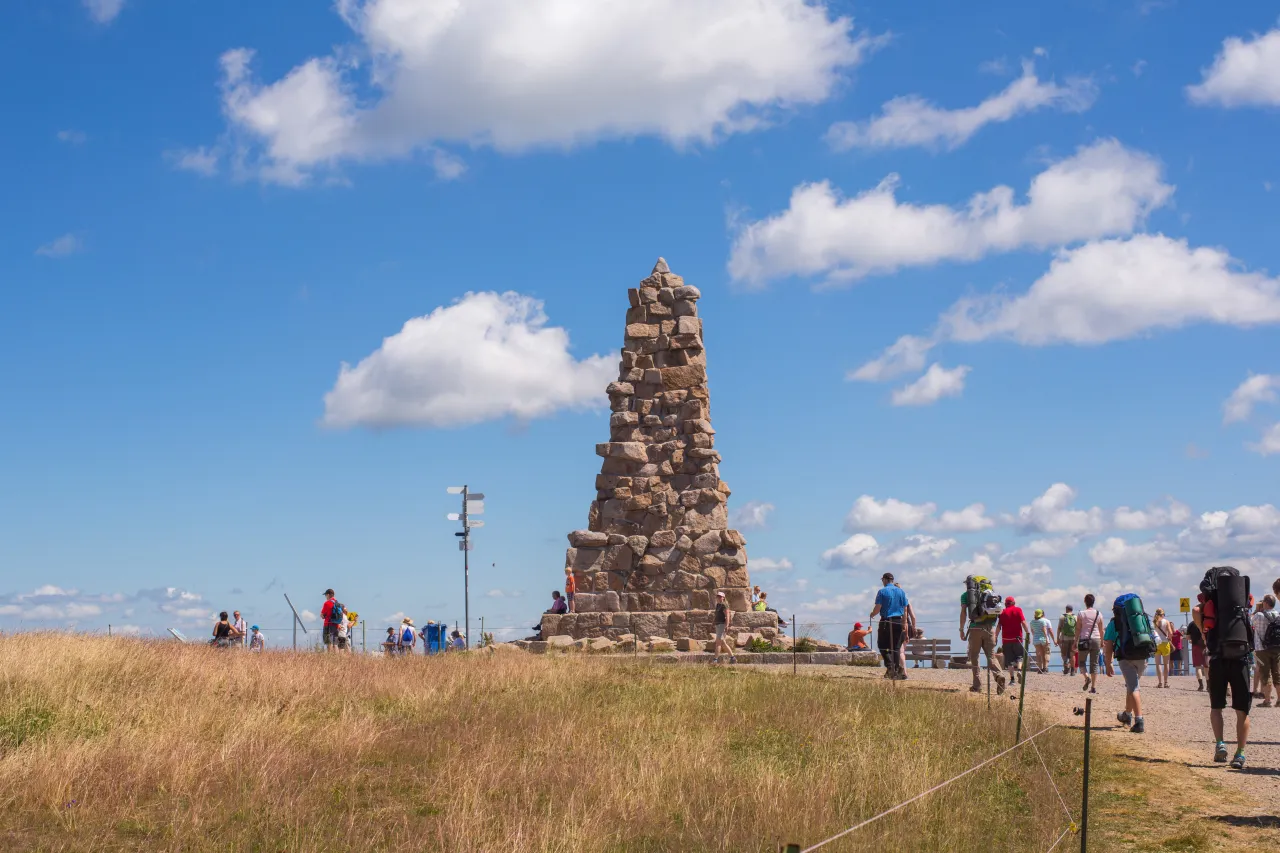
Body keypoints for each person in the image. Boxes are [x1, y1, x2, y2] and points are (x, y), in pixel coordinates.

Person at [1194, 584, 1251, 770]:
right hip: (1240, 658)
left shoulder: (1209, 601)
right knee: (1242, 710)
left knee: (1216, 706)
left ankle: (1220, 744)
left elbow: (1195, 610)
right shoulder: (1241, 600)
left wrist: (1203, 631)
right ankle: (1240, 753)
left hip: (1218, 658)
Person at [1103, 605, 1149, 734]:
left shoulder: (1114, 623)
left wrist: (1108, 663)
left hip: (1125, 657)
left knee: (1133, 687)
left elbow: (1108, 645)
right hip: (1142, 656)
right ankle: (1127, 715)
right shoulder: (1141, 618)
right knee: (1131, 685)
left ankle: (1139, 721)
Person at [960, 576, 1006, 696]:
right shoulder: (990, 594)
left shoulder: (966, 596)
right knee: (991, 656)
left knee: (974, 656)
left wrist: (961, 629)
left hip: (975, 628)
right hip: (990, 628)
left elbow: (963, 613)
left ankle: (977, 685)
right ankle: (999, 675)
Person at [870, 573, 911, 680]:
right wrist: (904, 623)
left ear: (884, 580)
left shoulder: (882, 591)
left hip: (886, 620)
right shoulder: (901, 592)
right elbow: (905, 610)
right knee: (896, 647)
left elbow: (878, 607)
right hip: (898, 620)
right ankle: (896, 670)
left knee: (882, 645)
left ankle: (890, 666)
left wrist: (872, 614)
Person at [1254, 595, 1280, 708]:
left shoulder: (1258, 615)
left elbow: (1251, 624)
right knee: (1277, 673)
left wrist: (1257, 610)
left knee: (1265, 673)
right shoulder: (1278, 615)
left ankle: (1267, 700)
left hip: (1262, 648)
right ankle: (1279, 700)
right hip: (1277, 648)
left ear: (1265, 603)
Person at [997, 597, 1030, 685]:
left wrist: (995, 637)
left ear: (1005, 604)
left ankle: (1012, 680)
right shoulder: (1018, 610)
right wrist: (1028, 633)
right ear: (1013, 603)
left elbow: (999, 626)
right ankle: (1019, 670)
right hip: (1017, 638)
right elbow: (1023, 622)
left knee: (1009, 661)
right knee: (1020, 657)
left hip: (1006, 640)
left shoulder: (1002, 612)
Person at [1077, 594, 1104, 694]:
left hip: (1084, 640)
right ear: (1093, 602)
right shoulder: (1099, 614)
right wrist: (1102, 641)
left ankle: (1086, 677)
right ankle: (1093, 687)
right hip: (1096, 639)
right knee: (1094, 664)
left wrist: (1075, 641)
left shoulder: (1081, 614)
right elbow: (1101, 630)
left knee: (1081, 662)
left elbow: (1078, 629)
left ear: (1085, 602)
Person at [712, 591, 736, 665]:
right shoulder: (718, 605)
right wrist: (713, 622)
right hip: (718, 625)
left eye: (720, 596)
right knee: (723, 643)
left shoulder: (724, 605)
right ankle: (732, 658)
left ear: (723, 597)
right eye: (718, 596)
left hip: (722, 625)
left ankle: (715, 660)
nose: (718, 597)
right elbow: (717, 615)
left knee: (718, 643)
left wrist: (726, 625)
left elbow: (727, 616)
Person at [1151, 608, 1173, 688]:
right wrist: (1169, 638)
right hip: (1165, 643)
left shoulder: (1154, 622)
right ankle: (1166, 683)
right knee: (1166, 664)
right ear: (1163, 614)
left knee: (1158, 664)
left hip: (1157, 644)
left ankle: (1160, 683)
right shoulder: (1166, 622)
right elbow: (1170, 633)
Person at [1186, 610, 1208, 691]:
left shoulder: (1191, 624)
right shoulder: (1206, 623)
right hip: (1206, 646)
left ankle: (1201, 685)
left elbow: (1188, 637)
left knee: (1198, 666)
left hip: (1196, 646)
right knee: (1206, 666)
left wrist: (1191, 640)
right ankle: (1208, 685)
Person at [1029, 609, 1055, 674]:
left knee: (1039, 654)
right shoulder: (1043, 621)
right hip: (1043, 639)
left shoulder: (1032, 622)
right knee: (1047, 653)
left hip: (1036, 639)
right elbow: (1044, 630)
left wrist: (1035, 636)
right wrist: (1047, 639)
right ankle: (1045, 668)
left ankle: (1040, 668)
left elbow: (1032, 631)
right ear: (1041, 614)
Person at [1057, 605, 1078, 675]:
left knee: (1063, 654)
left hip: (1064, 638)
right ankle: (1072, 671)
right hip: (1073, 638)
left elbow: (1059, 628)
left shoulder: (1062, 617)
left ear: (1066, 609)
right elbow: (1078, 629)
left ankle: (1066, 666)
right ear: (1072, 609)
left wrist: (1057, 638)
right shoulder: (1075, 617)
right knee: (1072, 654)